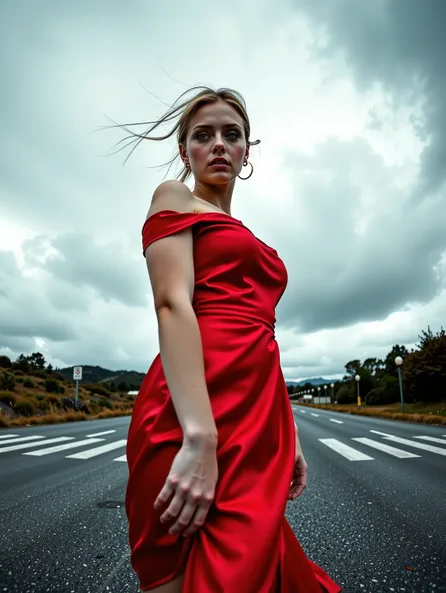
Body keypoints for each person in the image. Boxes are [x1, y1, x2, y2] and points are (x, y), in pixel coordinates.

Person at [121, 86, 342, 593]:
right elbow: (172, 303)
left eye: (231, 134)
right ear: (185, 152)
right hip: (189, 413)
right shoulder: (174, 197)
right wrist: (199, 436)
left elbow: (264, 339)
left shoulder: (241, 228)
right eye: (203, 135)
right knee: (174, 577)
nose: (218, 143)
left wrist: (289, 432)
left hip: (257, 418)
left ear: (246, 151)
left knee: (252, 567)